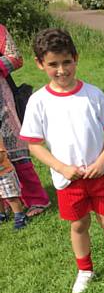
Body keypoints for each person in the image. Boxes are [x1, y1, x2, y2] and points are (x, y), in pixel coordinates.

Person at [19, 28, 104, 293]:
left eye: (66, 62)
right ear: (40, 64)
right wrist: (61, 168)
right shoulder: (38, 102)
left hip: (101, 175)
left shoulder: (93, 95)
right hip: (67, 180)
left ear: (76, 58)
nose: (61, 70)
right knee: (79, 224)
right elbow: (34, 144)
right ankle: (85, 270)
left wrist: (102, 161)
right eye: (53, 64)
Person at [0, 23, 51, 217]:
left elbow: (16, 58)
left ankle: (37, 199)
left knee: (14, 146)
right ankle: (4, 206)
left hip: (2, 98)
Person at [0, 133, 28, 229]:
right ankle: (2, 215)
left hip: (5, 174)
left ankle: (20, 216)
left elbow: (1, 156)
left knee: (11, 197)